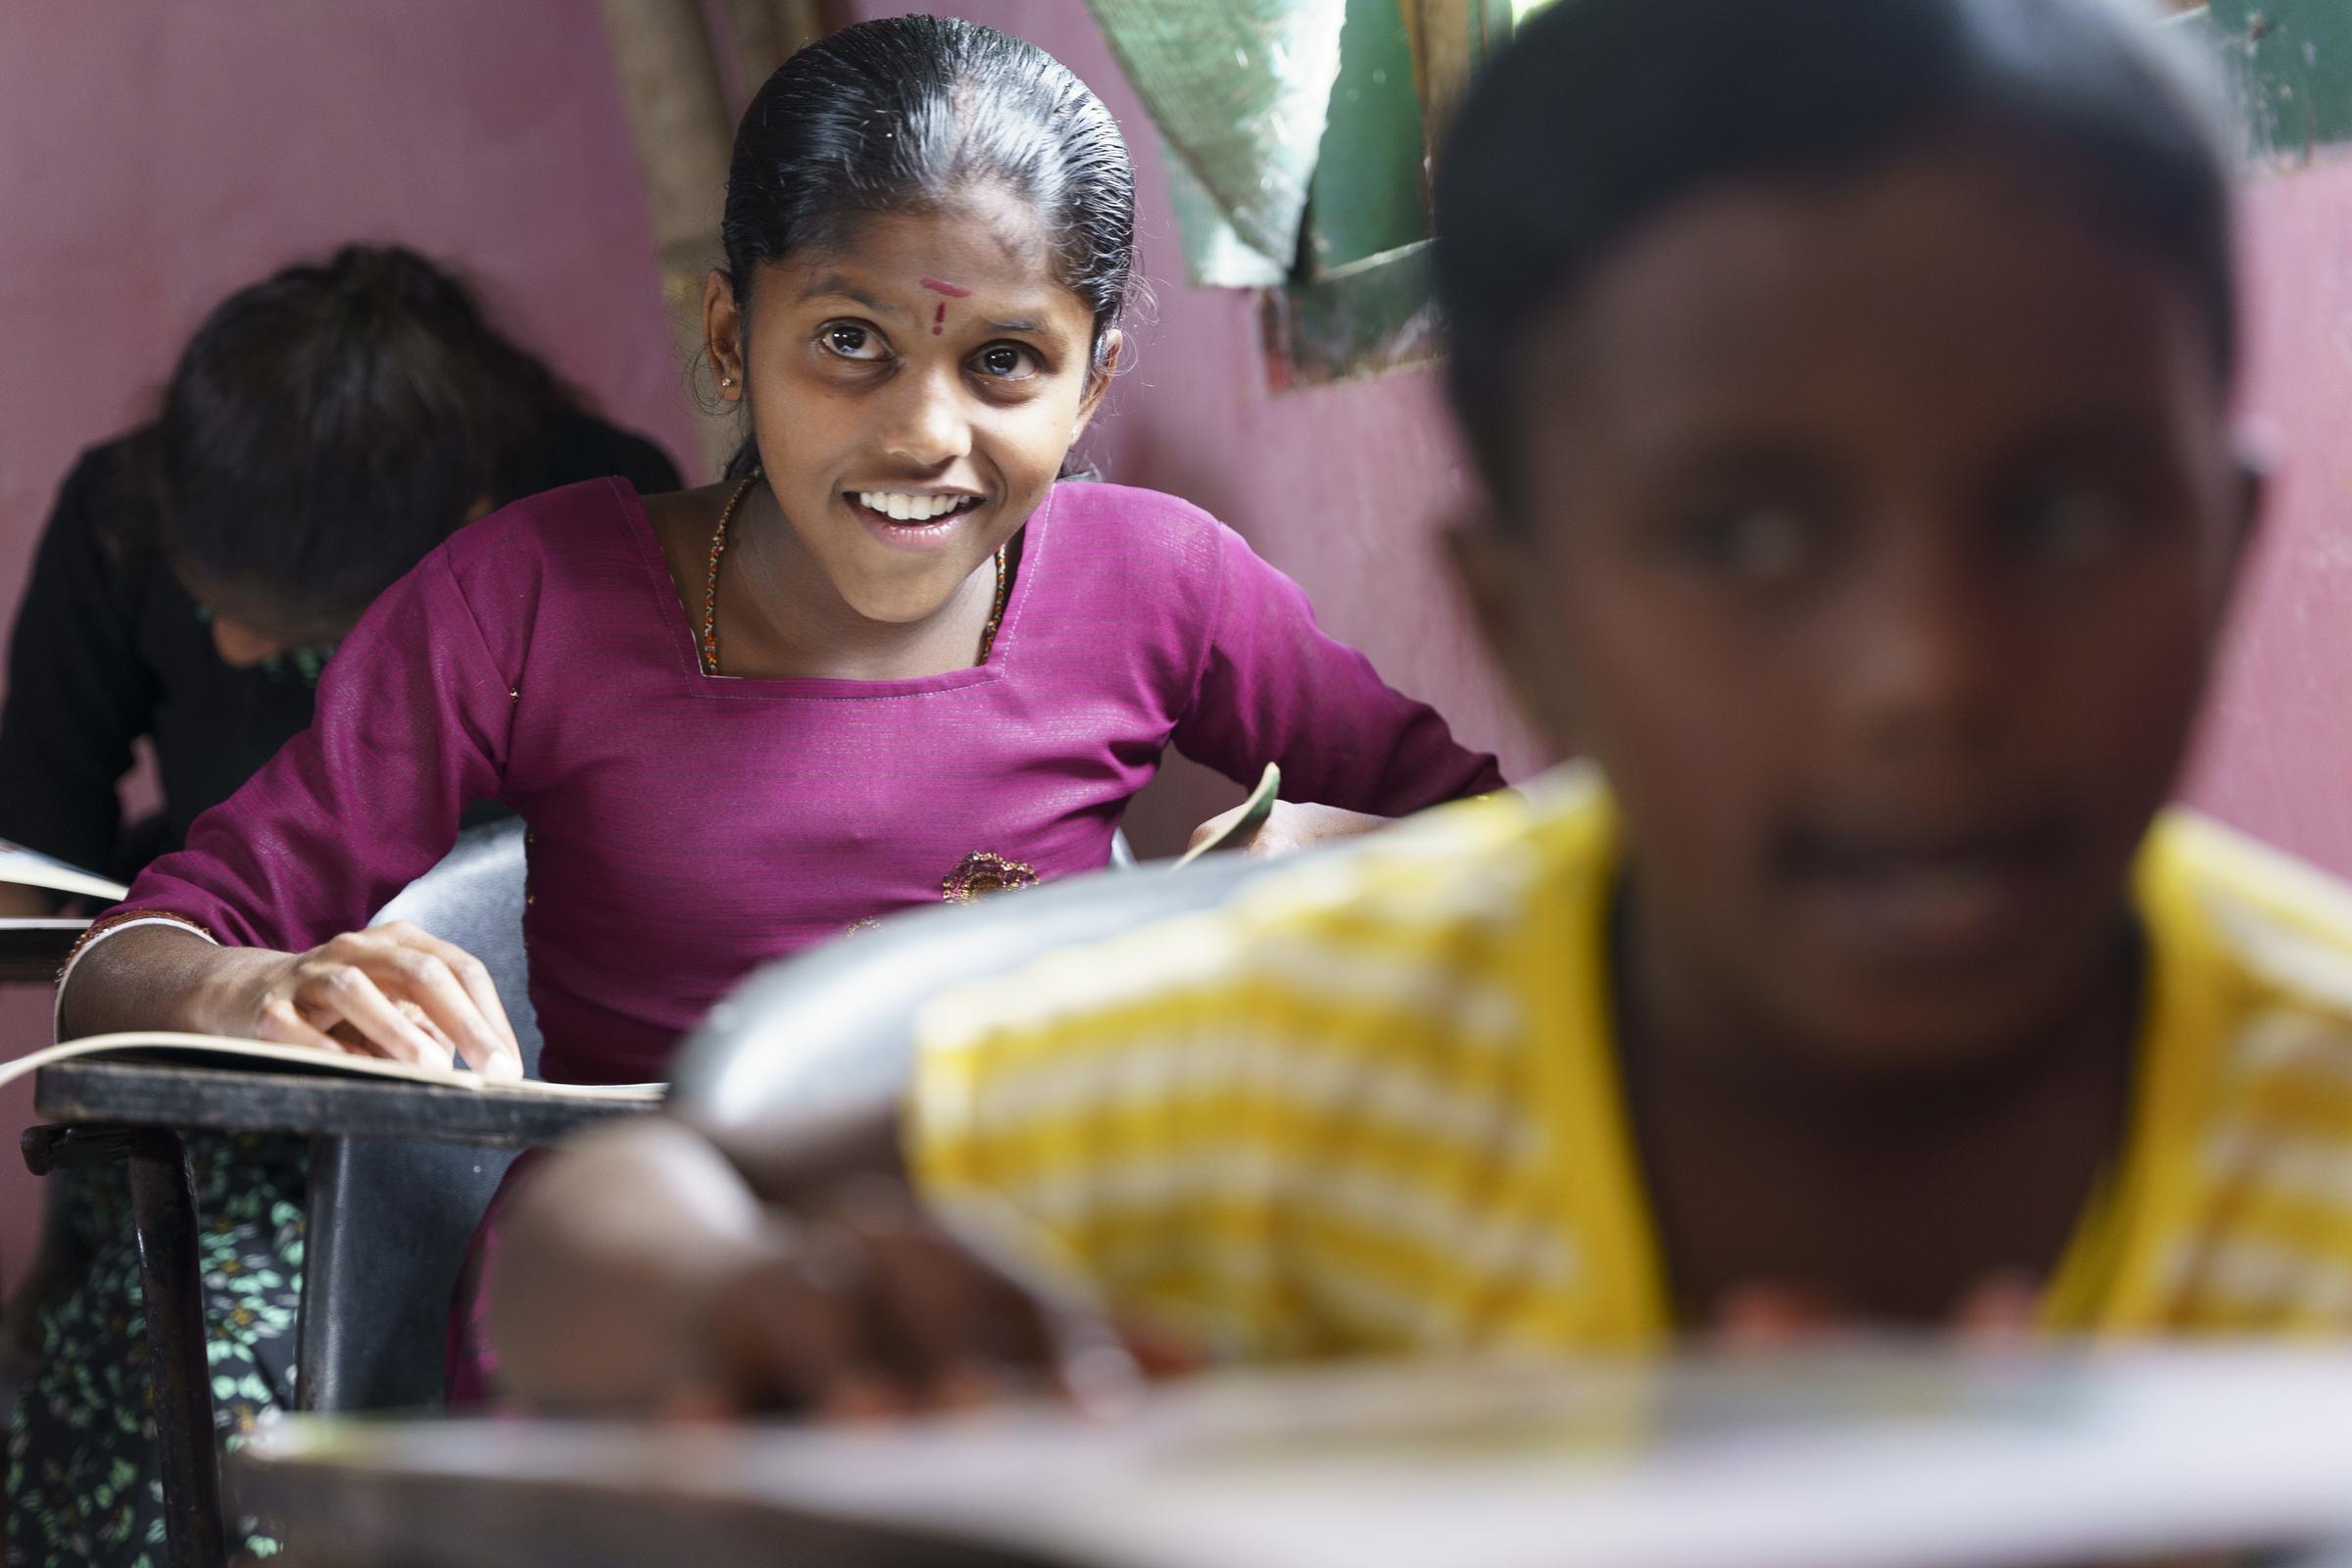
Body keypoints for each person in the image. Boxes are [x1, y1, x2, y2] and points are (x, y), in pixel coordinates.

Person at [484, 0, 2352, 1417]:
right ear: (1519, 623)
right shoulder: (1332, 1075)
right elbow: (613, 1222)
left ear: (2227, 548)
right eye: (1746, 535)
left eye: (2062, 515)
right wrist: (743, 1315)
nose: (1927, 670)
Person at [51, 7, 1502, 1453]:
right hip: (644, 1278)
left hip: (1028, 1240)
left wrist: (1335, 872)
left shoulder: (1165, 581)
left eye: (1005, 362)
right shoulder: (525, 601)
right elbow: (131, 960)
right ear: (732, 338)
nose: (926, 431)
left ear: (1094, 385)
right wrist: (244, 995)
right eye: (850, 342)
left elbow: (1512, 856)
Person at [2, 244, 680, 1568]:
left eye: (286, 619)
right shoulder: (118, 511)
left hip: (485, 1071)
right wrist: (197, 974)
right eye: (210, 602)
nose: (241, 649)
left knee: (306, 1395)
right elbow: (46, 828)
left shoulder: (600, 530)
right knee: (148, 1403)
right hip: (211, 1053)